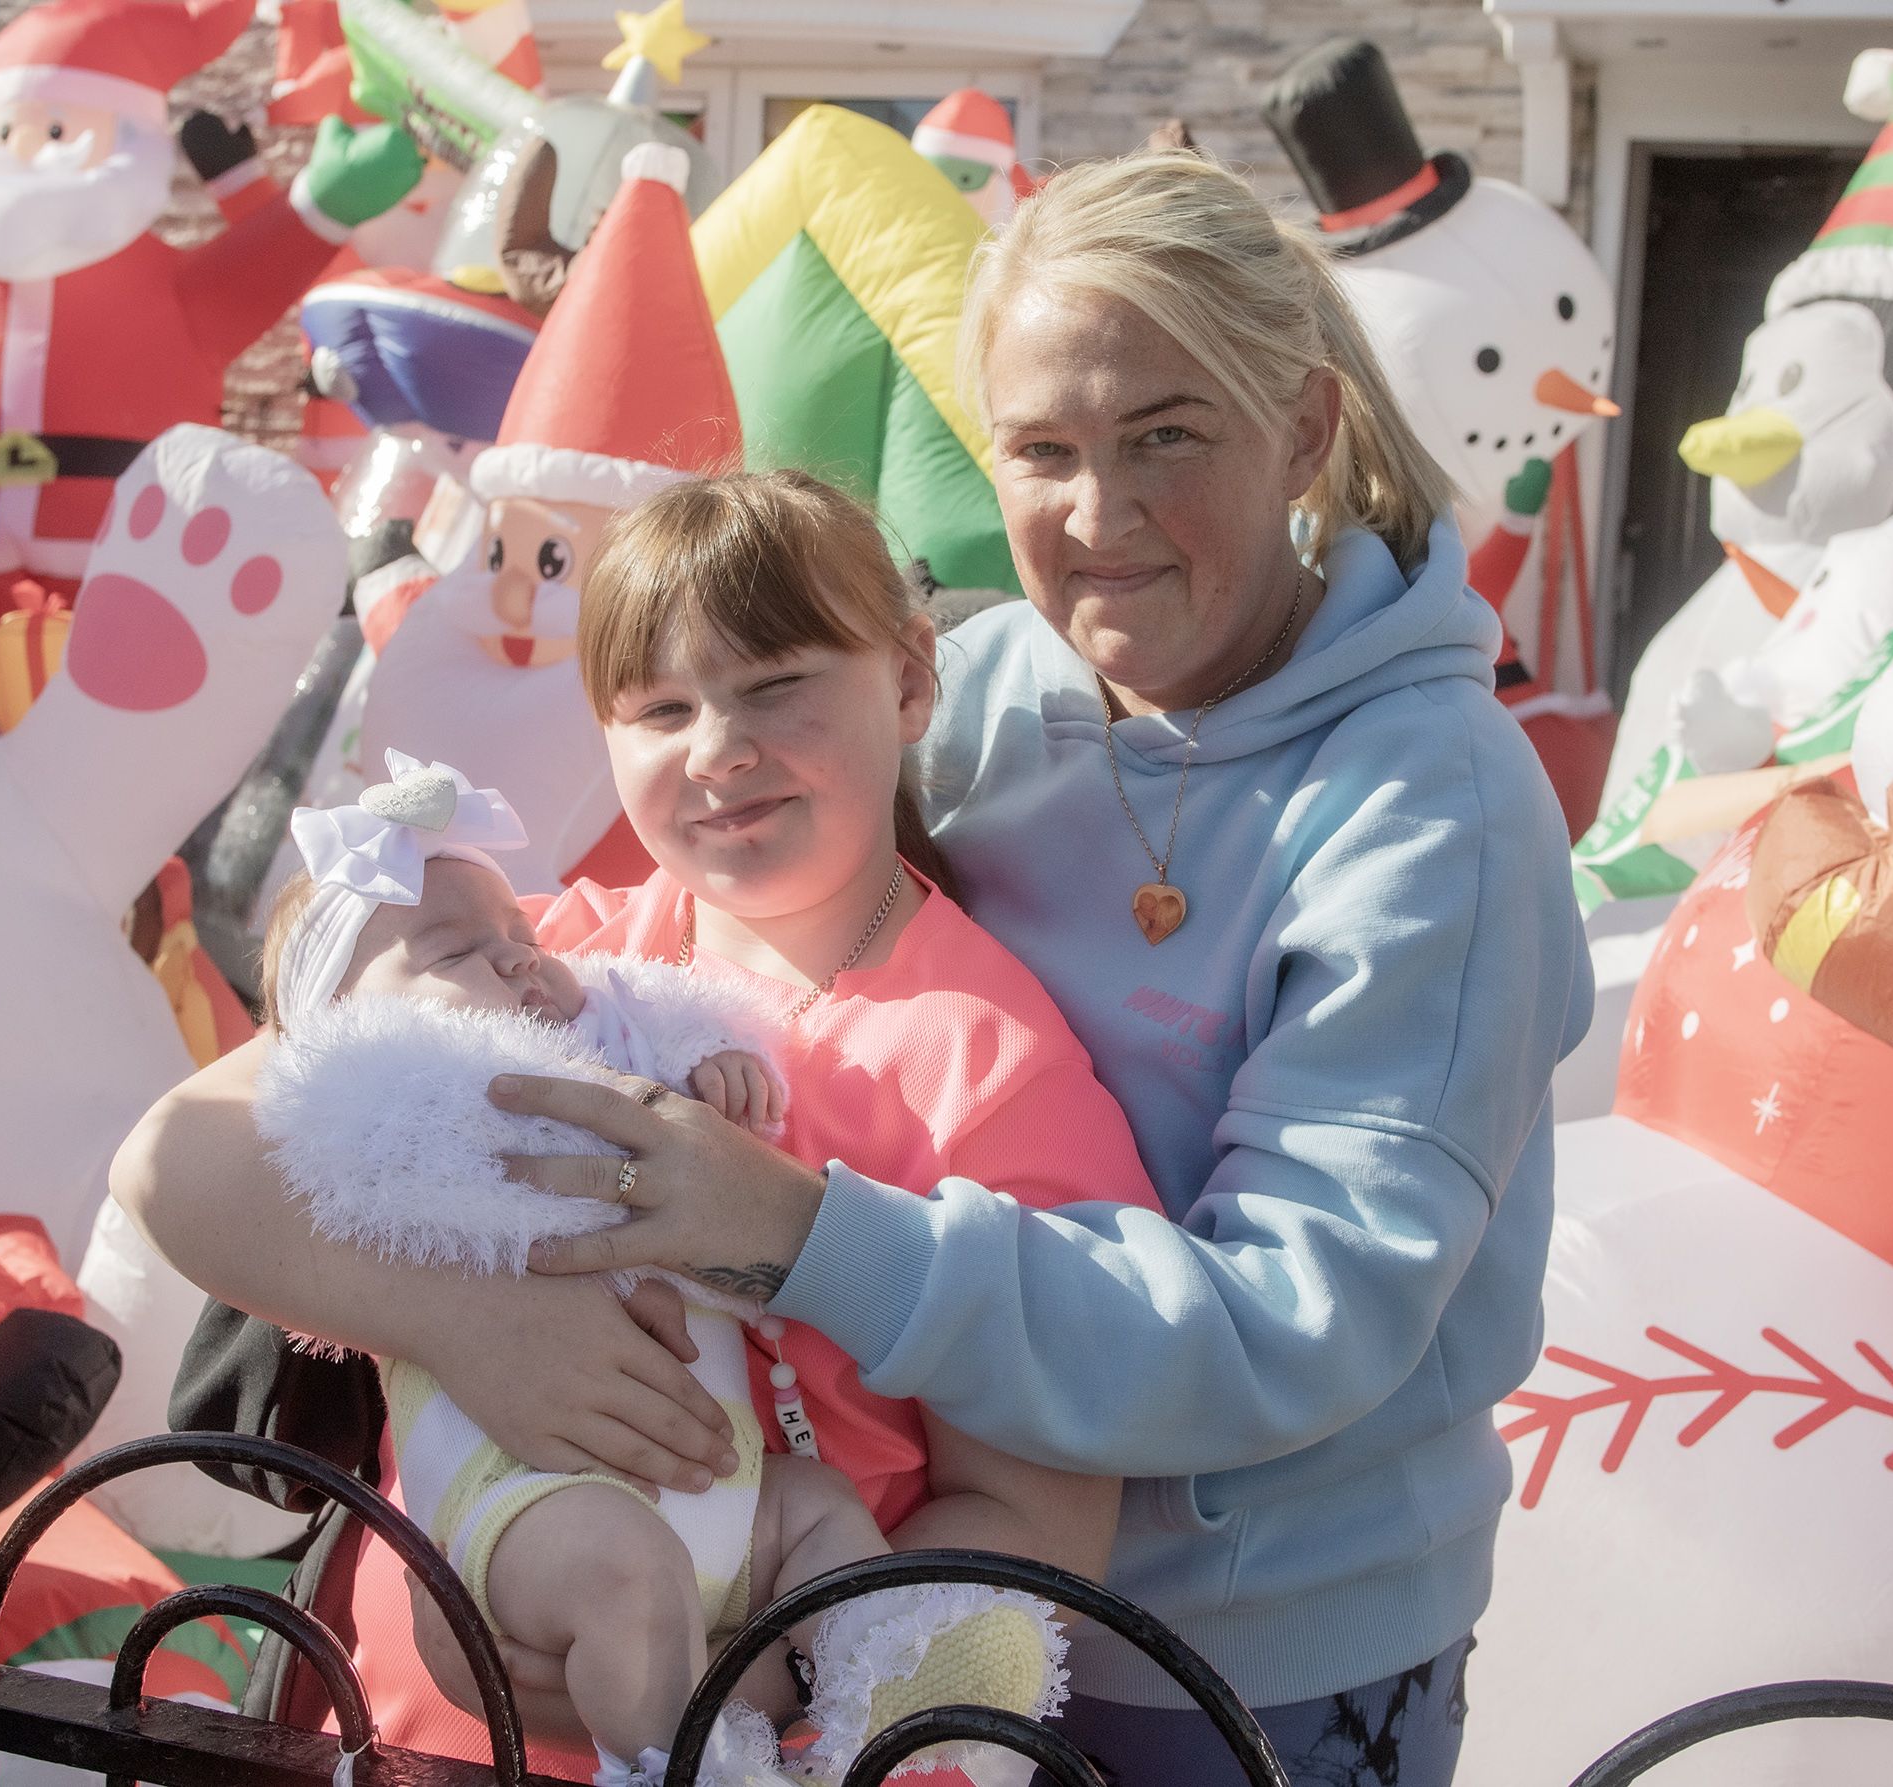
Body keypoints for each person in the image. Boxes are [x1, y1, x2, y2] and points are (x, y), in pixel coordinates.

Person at [473, 151, 1592, 1785]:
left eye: (1166, 436)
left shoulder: (1440, 811)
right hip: (883, 1591)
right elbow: (671, 945)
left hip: (1246, 1655)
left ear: (1306, 429)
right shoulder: (984, 690)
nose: (1099, 514)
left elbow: (1301, 1316)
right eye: (1043, 451)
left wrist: (794, 1231)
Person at [112, 470, 1154, 1784]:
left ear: (905, 681)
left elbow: (1032, 1521)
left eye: (775, 683)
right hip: (399, 1713)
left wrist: (754, 1676)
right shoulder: (548, 951)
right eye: (661, 706)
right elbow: (176, 1157)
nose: (719, 746)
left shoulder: (986, 1068)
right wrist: (466, 1319)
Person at [248, 747, 1068, 1787]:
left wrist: (709, 1081)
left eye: (520, 935)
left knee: (816, 1506)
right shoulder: (389, 1128)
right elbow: (283, 1154)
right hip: (533, 1508)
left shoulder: (612, 1055)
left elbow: (717, 1208)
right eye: (455, 950)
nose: (516, 960)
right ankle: (679, 1768)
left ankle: (901, 1667)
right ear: (341, 1035)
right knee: (623, 1570)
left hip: (726, 1491)